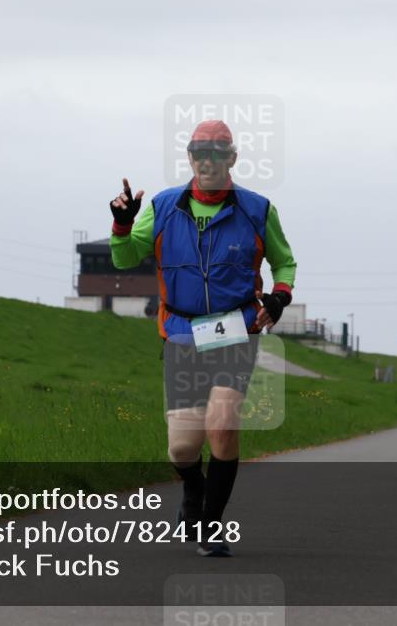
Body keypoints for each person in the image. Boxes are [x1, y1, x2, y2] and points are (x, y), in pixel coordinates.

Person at [108, 119, 297, 556]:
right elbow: (124, 259)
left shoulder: (257, 209)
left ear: (232, 158)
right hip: (181, 333)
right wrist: (121, 226)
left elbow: (284, 264)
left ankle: (212, 528)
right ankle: (193, 490)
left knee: (223, 424)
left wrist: (279, 298)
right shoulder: (162, 206)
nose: (208, 159)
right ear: (190, 157)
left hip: (236, 330)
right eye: (200, 151)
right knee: (181, 446)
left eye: (217, 151)